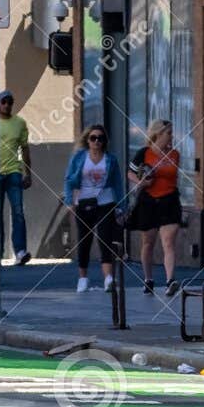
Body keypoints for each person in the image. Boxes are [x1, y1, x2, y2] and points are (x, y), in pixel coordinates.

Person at [63, 123, 125, 293]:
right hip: (84, 202)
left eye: (100, 138)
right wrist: (69, 202)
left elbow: (118, 184)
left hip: (105, 203)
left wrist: (121, 206)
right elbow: (69, 180)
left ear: (104, 141)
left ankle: (109, 279)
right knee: (84, 241)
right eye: (93, 138)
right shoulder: (79, 157)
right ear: (88, 140)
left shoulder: (110, 159)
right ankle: (82, 279)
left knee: (105, 239)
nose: (97, 141)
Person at [131, 118, 183, 296]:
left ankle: (170, 280)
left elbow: (173, 176)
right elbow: (130, 172)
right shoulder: (144, 153)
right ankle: (148, 279)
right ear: (158, 134)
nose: (171, 136)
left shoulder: (175, 154)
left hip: (169, 200)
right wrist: (141, 182)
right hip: (149, 201)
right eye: (168, 133)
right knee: (148, 242)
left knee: (168, 242)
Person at [0, 90, 31, 264]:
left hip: (14, 172)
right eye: (4, 102)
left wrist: (28, 173)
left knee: (18, 212)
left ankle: (20, 251)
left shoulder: (20, 123)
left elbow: (25, 149)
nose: (7, 105)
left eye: (10, 102)